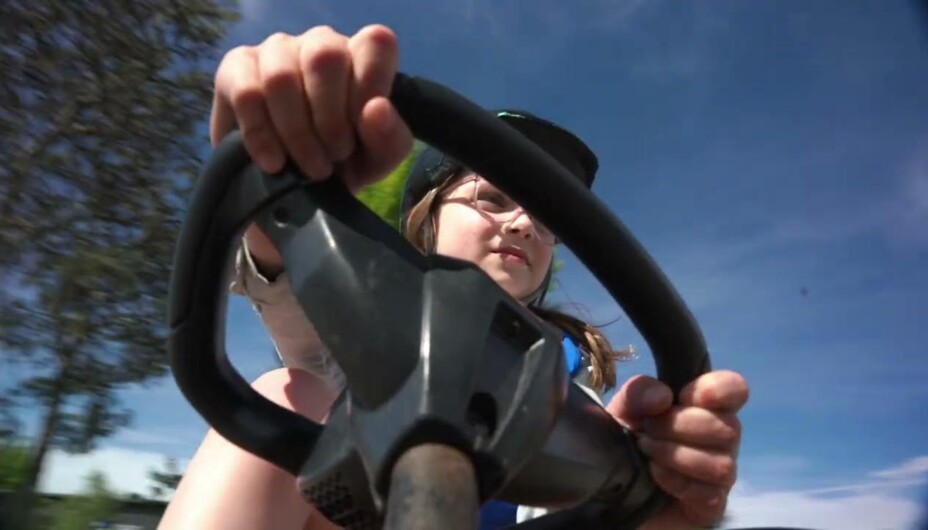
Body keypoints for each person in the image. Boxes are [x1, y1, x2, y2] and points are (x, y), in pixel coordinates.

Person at [159, 25, 749, 530]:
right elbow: (285, 279)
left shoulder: (586, 407)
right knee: (291, 395)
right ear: (425, 215)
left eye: (546, 223)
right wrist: (280, 148)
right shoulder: (363, 326)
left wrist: (655, 489)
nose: (522, 224)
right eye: (492, 198)